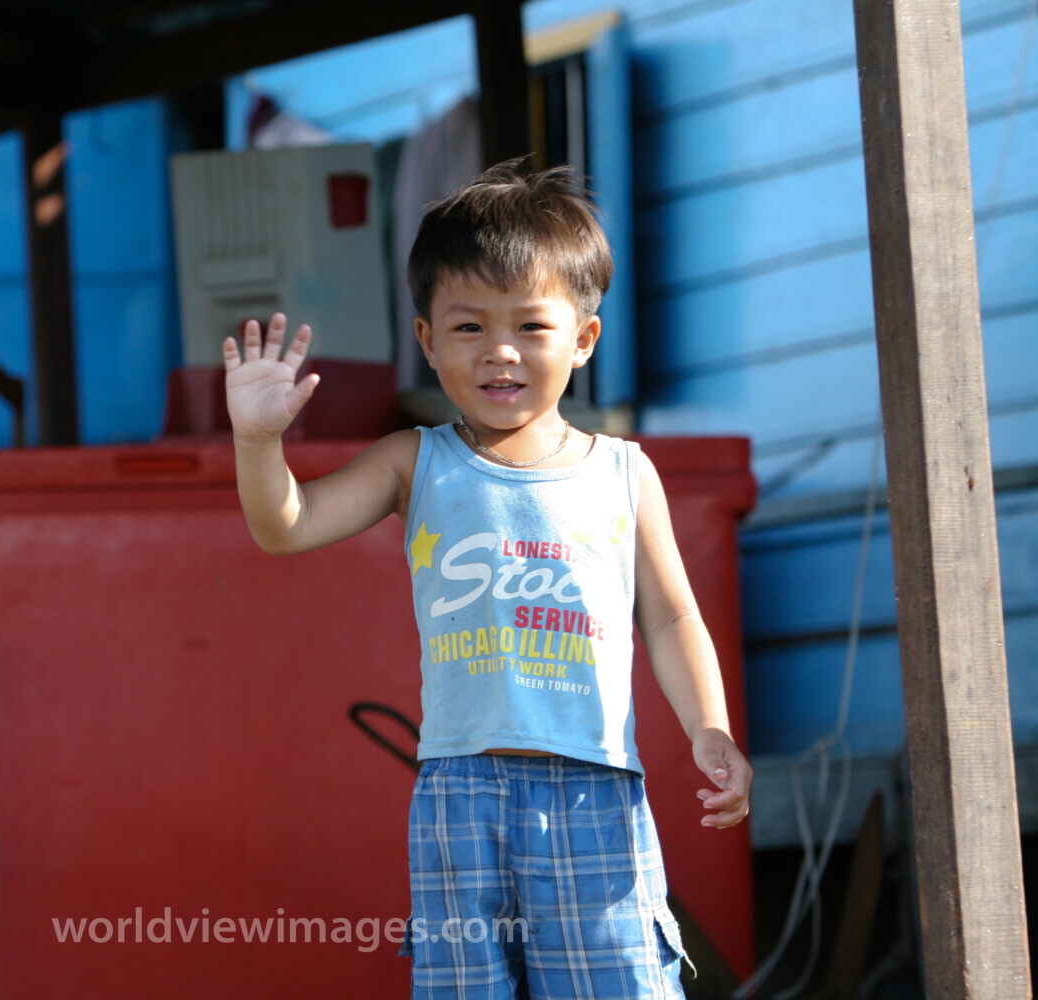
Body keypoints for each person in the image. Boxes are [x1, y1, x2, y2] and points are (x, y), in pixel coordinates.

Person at [223, 159, 751, 999]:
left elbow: (671, 618)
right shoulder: (414, 462)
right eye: (468, 328)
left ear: (583, 338)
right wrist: (258, 443)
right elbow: (284, 527)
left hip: (594, 790)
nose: (500, 352)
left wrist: (710, 726)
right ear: (428, 340)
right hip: (459, 794)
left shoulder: (623, 472)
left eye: (531, 328)